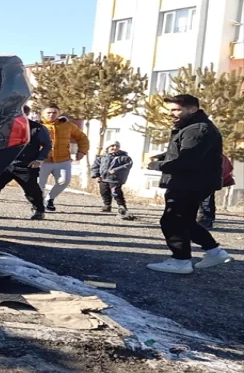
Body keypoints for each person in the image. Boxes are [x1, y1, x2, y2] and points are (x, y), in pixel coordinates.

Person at [146, 94, 232, 274]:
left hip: (190, 182)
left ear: (192, 109)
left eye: (176, 109)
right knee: (183, 220)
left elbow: (187, 161)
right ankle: (214, 251)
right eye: (170, 110)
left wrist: (157, 165)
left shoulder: (197, 129)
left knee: (173, 220)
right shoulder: (191, 127)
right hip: (192, 181)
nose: (171, 114)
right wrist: (163, 157)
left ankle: (181, 260)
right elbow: (186, 153)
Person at [0, 106, 50, 219]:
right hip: (4, 164)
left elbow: (47, 144)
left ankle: (39, 210)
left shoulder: (37, 128)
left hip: (26, 165)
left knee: (31, 189)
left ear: (27, 114)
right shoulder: (3, 125)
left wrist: (39, 160)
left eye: (22, 113)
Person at [37, 105, 89, 211]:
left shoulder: (67, 125)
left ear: (59, 114)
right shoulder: (37, 126)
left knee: (64, 181)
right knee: (39, 184)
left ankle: (50, 199)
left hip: (63, 159)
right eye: (49, 113)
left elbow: (82, 137)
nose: (51, 115)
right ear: (43, 114)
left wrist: (82, 151)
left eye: (54, 113)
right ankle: (38, 204)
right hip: (42, 160)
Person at [90, 141, 136, 220]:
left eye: (117, 146)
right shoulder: (102, 156)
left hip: (115, 179)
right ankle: (107, 206)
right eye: (112, 146)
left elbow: (128, 165)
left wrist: (116, 170)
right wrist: (96, 175)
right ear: (108, 147)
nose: (115, 148)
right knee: (104, 192)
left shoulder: (124, 157)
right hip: (103, 178)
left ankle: (122, 208)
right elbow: (95, 166)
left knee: (116, 193)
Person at [199, 155, 234, 230]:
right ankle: (207, 219)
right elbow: (229, 167)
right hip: (208, 177)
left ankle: (206, 219)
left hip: (207, 177)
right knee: (207, 199)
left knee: (206, 199)